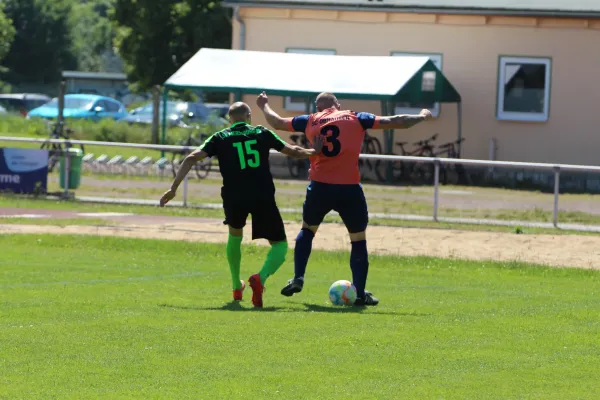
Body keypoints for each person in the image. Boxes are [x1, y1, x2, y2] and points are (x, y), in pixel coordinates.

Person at [256, 91, 432, 306]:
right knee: (358, 239)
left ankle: (299, 277)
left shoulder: (310, 120)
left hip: (319, 187)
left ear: (318, 107)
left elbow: (278, 122)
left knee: (307, 230)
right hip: (349, 189)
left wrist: (264, 105)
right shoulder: (356, 117)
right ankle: (359, 293)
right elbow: (396, 121)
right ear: (338, 104)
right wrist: (422, 116)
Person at [159, 101, 323, 308]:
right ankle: (260, 278)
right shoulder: (262, 132)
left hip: (234, 196)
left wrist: (173, 188)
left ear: (229, 119)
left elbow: (191, 157)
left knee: (235, 235)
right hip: (262, 195)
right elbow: (292, 151)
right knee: (280, 245)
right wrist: (313, 151)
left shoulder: (219, 137)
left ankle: (237, 285)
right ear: (249, 116)